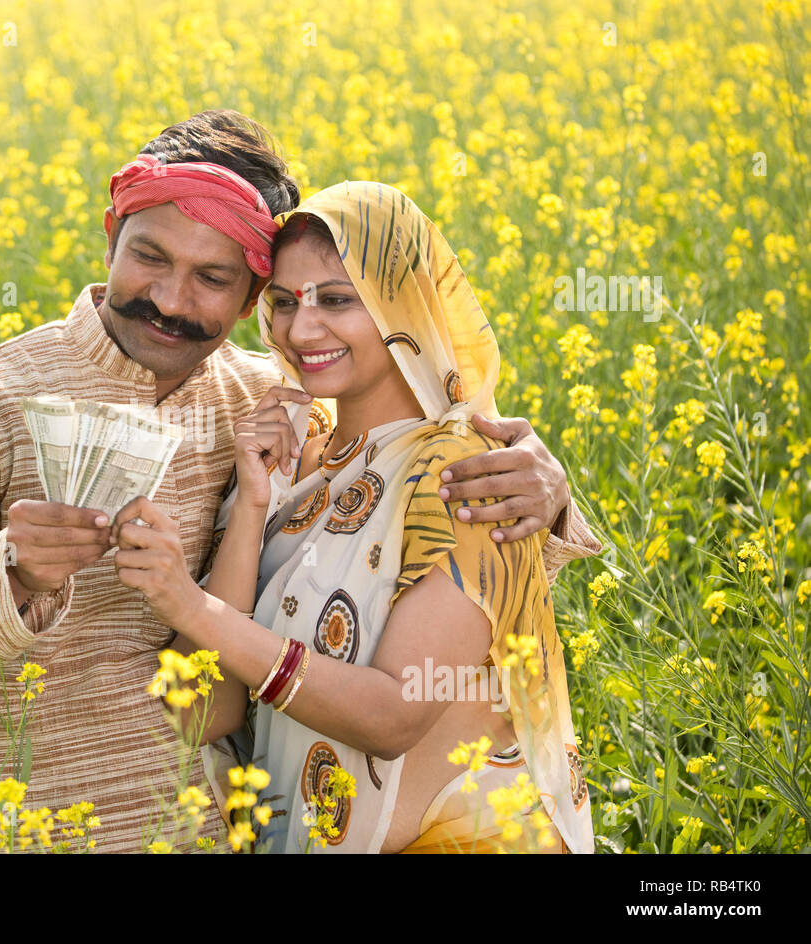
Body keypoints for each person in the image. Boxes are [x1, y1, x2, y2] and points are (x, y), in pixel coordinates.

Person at [0, 110, 599, 852]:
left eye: (213, 278)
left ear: (249, 304)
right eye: (148, 256)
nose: (171, 300)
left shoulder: (275, 405)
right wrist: (11, 572)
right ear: (110, 237)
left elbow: (417, 558)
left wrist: (546, 495)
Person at [108, 180, 597, 853]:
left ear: (405, 303)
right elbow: (203, 711)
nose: (301, 329)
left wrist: (189, 606)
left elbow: (393, 715)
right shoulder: (289, 460)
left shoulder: (468, 476)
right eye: (282, 303)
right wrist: (250, 509)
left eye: (338, 300)